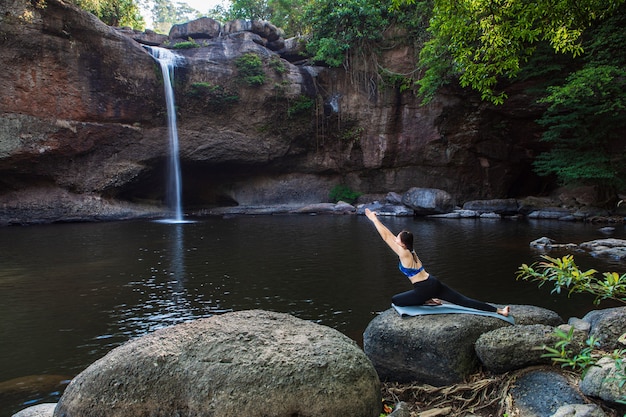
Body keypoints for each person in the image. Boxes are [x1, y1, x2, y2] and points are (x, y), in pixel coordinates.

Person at [364, 208, 510, 316]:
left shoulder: (404, 254)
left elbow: (385, 237)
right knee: (463, 300)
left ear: (402, 244)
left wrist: (373, 219)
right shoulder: (411, 251)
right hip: (433, 282)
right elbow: (389, 235)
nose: (395, 239)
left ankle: (426, 299)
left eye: (398, 239)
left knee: (396, 300)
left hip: (424, 288)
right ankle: (499, 311)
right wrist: (375, 219)